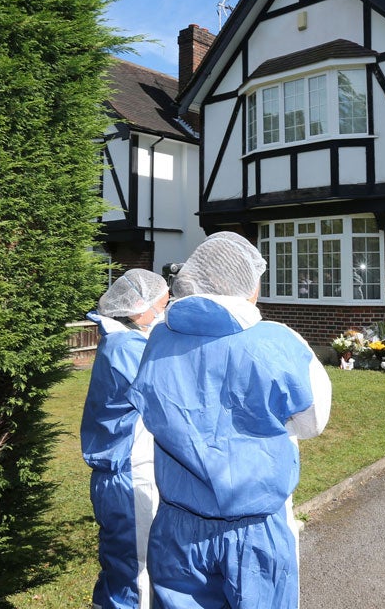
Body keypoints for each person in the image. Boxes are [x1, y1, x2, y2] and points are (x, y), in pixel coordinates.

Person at [127, 232, 332, 609]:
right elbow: (312, 422)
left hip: (177, 528)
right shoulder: (280, 341)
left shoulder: (158, 339)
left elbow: (152, 408)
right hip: (255, 529)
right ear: (247, 285)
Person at [81, 269, 170, 609]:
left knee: (122, 571)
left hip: (121, 473)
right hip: (129, 476)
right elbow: (166, 399)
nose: (165, 313)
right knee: (136, 576)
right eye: (162, 306)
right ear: (139, 308)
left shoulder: (122, 340)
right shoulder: (127, 347)